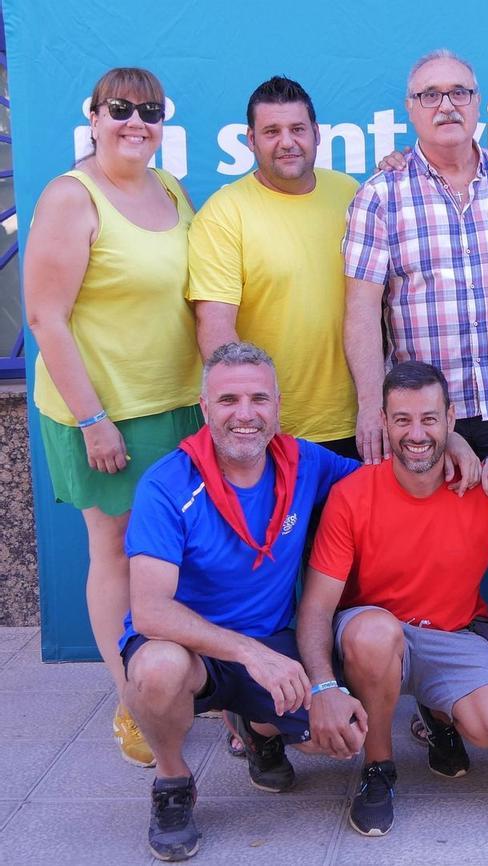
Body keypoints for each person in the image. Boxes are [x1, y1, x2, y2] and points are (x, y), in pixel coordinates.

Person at [343, 48, 488, 651]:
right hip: (425, 417)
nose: (445, 104)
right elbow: (362, 310)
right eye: (430, 95)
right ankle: (431, 696)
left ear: (477, 103)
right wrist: (373, 404)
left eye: (458, 93)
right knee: (424, 549)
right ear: (410, 109)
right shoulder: (381, 193)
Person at [296, 360, 488, 837]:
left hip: (451, 635)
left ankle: (438, 716)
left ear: (451, 420)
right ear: (384, 423)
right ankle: (378, 769)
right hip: (372, 635)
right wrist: (321, 687)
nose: (417, 433)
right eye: (402, 420)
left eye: (429, 419)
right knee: (377, 633)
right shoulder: (352, 495)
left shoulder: (480, 491)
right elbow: (315, 607)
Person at [120, 342, 363, 861]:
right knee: (156, 671)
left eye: (259, 399)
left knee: (338, 739)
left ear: (278, 406)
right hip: (189, 649)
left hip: (271, 640)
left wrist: (452, 444)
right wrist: (250, 654)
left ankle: (257, 729)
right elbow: (150, 611)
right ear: (204, 408)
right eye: (228, 400)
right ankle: (173, 781)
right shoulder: (167, 484)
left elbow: (380, 483)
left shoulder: (305, 461)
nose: (246, 414)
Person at [24, 66, 203, 768]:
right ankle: (132, 698)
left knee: (167, 553)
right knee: (116, 550)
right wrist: (93, 418)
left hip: (174, 406)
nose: (136, 122)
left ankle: (174, 678)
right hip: (101, 414)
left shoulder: (169, 188)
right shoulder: (73, 197)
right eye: (121, 109)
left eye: (150, 111)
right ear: (92, 116)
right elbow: (44, 317)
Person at [188, 76, 359, 456]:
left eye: (297, 129)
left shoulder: (351, 194)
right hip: (272, 432)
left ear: (316, 133)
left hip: (357, 422)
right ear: (251, 140)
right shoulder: (225, 213)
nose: (287, 141)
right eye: (271, 131)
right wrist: (255, 420)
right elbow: (215, 326)